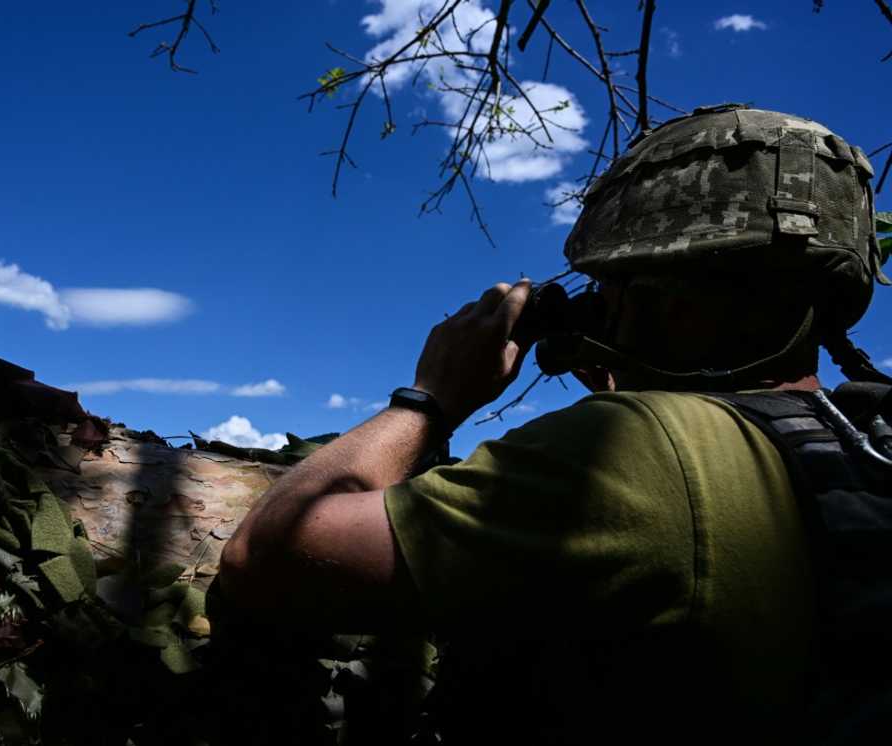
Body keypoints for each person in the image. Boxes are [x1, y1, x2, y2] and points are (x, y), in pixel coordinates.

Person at [218, 104, 891, 743]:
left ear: (667, 294)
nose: (601, 310)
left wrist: (429, 398)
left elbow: (269, 559)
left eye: (614, 290)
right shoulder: (864, 442)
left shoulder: (637, 451)